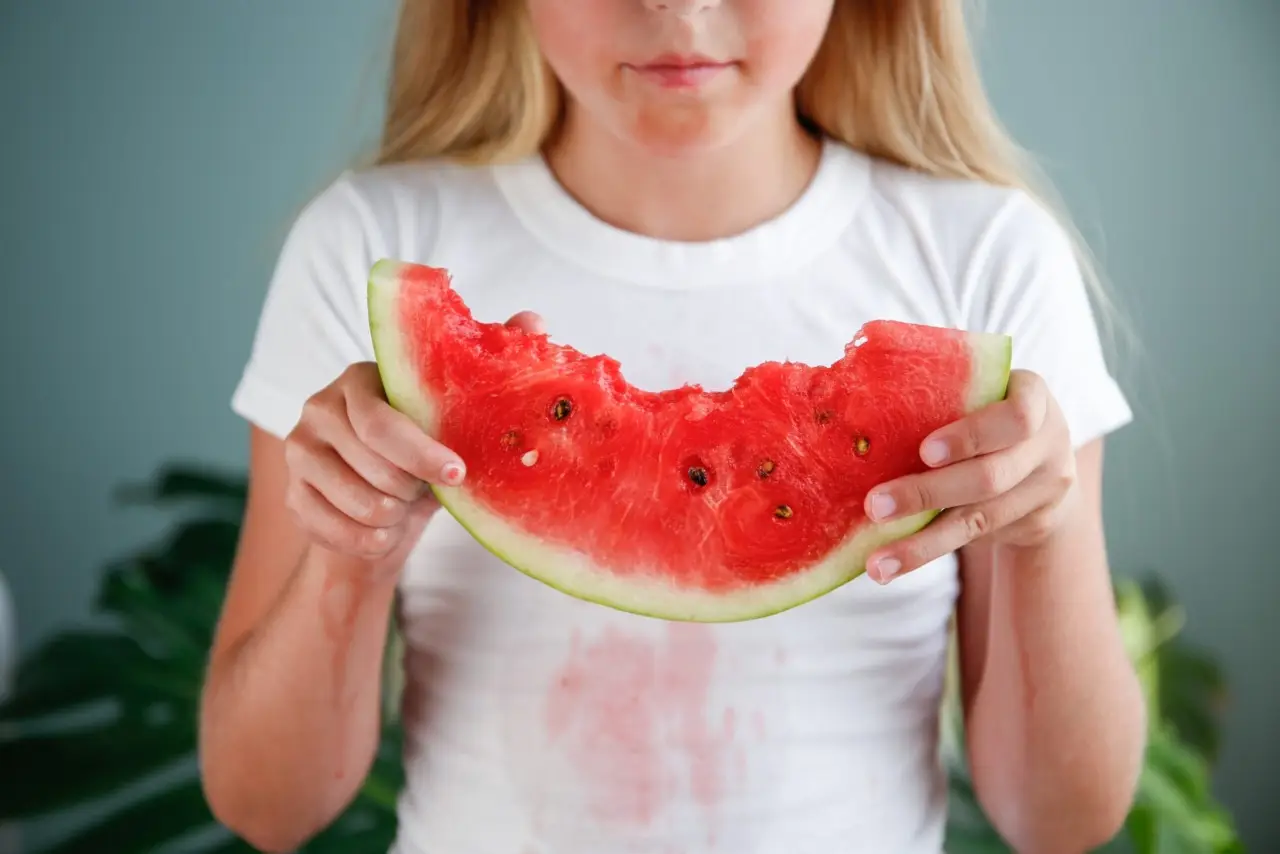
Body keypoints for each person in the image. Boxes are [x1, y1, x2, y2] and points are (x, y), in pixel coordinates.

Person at [197, 1, 1147, 852]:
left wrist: (1038, 536)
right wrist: (349, 550)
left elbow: (1060, 823)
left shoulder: (984, 262)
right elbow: (268, 809)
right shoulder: (369, 246)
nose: (680, 7)